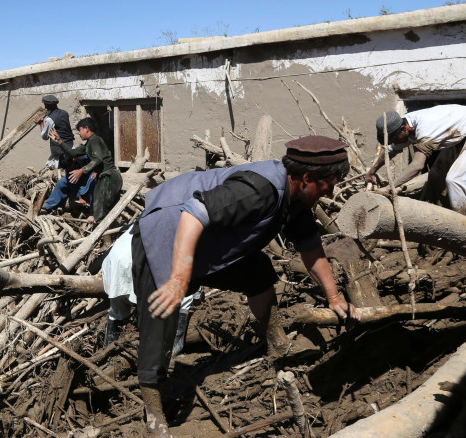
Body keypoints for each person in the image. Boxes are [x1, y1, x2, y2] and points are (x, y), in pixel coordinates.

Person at [132, 136, 360, 438]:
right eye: (329, 184)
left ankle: (277, 342)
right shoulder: (258, 191)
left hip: (208, 245)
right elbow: (194, 212)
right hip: (165, 233)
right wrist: (178, 279)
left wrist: (333, 297)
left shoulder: (296, 201)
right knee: (160, 317)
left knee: (257, 270)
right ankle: (154, 415)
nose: (331, 192)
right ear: (307, 178)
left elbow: (311, 250)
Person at [365, 105, 466, 218]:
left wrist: (389, 188)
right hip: (457, 135)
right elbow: (390, 150)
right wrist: (371, 172)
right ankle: (440, 215)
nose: (394, 143)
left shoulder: (425, 129)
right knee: (435, 175)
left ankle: (464, 222)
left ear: (403, 128)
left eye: (394, 139)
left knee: (455, 180)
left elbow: (417, 165)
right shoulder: (405, 124)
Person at [100, 229, 198, 353]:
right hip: (137, 260)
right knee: (183, 296)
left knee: (117, 310)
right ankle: (172, 352)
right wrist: (196, 295)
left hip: (115, 260)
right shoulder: (185, 227)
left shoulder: (153, 218)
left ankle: (108, 351)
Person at [50, 117, 123, 223]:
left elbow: (98, 159)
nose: (79, 133)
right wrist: (60, 142)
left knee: (101, 209)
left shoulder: (95, 140)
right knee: (100, 208)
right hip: (103, 177)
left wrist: (81, 171)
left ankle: (102, 229)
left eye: (80, 130)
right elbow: (72, 153)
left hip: (109, 176)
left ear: (86, 129)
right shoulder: (89, 144)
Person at [34, 94, 75, 169]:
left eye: (47, 106)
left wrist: (40, 123)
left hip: (60, 153)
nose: (45, 108)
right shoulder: (64, 113)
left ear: (52, 106)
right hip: (70, 147)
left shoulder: (50, 119)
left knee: (60, 171)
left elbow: (45, 136)